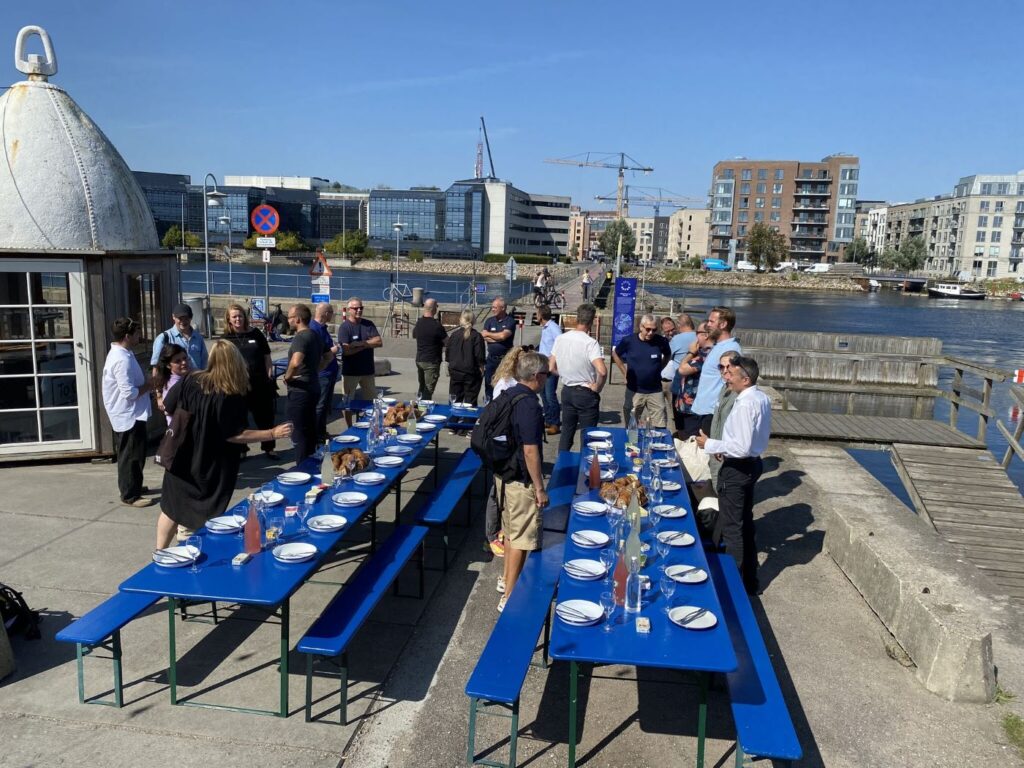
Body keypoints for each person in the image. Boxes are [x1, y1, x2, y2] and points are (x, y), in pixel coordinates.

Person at [156, 341, 293, 549]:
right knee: (200, 516)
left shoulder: (191, 378)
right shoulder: (229, 394)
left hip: (180, 456)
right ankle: (189, 559)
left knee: (171, 510)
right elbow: (235, 434)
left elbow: (167, 406)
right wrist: (272, 433)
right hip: (207, 464)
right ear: (236, 362)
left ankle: (160, 554)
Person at [696, 355, 771, 595]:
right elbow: (745, 443)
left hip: (737, 469)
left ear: (745, 379)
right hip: (751, 464)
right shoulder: (761, 397)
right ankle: (750, 581)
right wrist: (722, 446)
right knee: (745, 523)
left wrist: (711, 445)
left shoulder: (746, 403)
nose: (728, 377)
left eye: (733, 374)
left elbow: (740, 446)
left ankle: (732, 587)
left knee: (732, 528)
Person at [495, 351, 550, 612]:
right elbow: (530, 450)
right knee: (520, 539)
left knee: (509, 532)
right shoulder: (528, 404)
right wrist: (539, 488)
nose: (549, 379)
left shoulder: (509, 392)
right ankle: (510, 597)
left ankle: (506, 581)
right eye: (547, 374)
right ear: (537, 376)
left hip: (503, 476)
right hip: (520, 480)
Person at [101, 317, 154, 508]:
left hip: (132, 413)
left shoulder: (124, 353)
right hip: (127, 414)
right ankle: (130, 494)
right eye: (137, 334)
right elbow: (129, 393)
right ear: (127, 336)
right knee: (130, 455)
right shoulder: (121, 359)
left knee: (137, 452)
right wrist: (149, 385)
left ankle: (134, 485)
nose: (139, 336)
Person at [483, 345, 529, 559]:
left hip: (510, 444)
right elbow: (502, 418)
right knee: (496, 492)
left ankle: (500, 530)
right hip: (502, 446)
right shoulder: (505, 384)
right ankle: (491, 535)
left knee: (502, 491)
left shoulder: (514, 382)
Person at [222, 303, 278, 459]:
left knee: (265, 417)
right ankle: (242, 450)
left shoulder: (255, 334)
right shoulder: (226, 338)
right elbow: (222, 363)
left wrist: (269, 375)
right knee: (239, 419)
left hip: (260, 384)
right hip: (237, 386)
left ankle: (269, 448)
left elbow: (267, 356)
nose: (238, 319)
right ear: (229, 319)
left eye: (240, 316)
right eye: (234, 316)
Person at [549, 303, 606, 453]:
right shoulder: (590, 343)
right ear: (592, 321)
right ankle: (586, 469)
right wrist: (597, 387)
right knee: (588, 436)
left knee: (567, 432)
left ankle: (562, 467)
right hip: (585, 392)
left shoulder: (561, 338)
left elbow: (551, 367)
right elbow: (602, 371)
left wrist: (565, 374)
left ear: (577, 318)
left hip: (567, 391)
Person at [283, 304, 326, 462]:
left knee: (299, 433)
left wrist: (288, 377)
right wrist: (315, 370)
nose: (288, 321)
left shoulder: (300, 337)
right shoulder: (315, 335)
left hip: (300, 392)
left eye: (289, 318)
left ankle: (302, 468)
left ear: (298, 319)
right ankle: (311, 464)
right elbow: (328, 356)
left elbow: (295, 362)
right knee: (310, 431)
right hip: (313, 387)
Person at [612, 313, 672, 428]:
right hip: (634, 390)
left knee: (660, 425)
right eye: (648, 329)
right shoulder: (629, 341)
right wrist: (625, 373)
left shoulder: (661, 341)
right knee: (631, 426)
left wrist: (659, 368)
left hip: (655, 390)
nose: (650, 333)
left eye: (654, 330)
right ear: (641, 327)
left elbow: (667, 354)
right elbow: (616, 354)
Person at [691, 305, 741, 435]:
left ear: (723, 324)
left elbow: (732, 382)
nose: (708, 325)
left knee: (708, 454)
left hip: (712, 413)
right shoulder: (718, 346)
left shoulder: (730, 350)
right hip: (704, 411)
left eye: (711, 321)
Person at [337, 297, 382, 424]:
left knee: (371, 402)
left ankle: (371, 425)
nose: (359, 310)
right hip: (351, 372)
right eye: (356, 308)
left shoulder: (368, 324)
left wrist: (360, 344)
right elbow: (346, 351)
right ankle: (349, 427)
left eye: (361, 308)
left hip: (368, 371)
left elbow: (378, 342)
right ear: (349, 310)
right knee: (347, 402)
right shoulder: (345, 328)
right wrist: (367, 344)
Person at [707, 349, 741, 486]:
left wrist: (721, 447)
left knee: (724, 488)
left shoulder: (739, 393)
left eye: (729, 366)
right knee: (717, 485)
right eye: (721, 366)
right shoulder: (724, 388)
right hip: (716, 448)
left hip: (726, 451)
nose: (725, 370)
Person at [672, 323, 712, 435]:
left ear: (706, 335)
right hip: (687, 406)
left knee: (689, 441)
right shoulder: (702, 352)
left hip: (693, 409)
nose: (696, 337)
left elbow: (682, 369)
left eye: (697, 333)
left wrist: (690, 352)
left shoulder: (706, 355)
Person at [309, 303, 341, 440]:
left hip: (330, 371)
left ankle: (322, 431)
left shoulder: (322, 328)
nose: (333, 315)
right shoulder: (314, 329)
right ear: (325, 314)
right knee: (320, 406)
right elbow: (315, 353)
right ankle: (316, 434)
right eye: (331, 312)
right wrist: (333, 351)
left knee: (325, 404)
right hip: (323, 374)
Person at [151, 303, 208, 375]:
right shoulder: (164, 338)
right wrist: (157, 385)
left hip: (195, 382)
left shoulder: (198, 338)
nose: (183, 321)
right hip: (173, 384)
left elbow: (205, 363)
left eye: (186, 318)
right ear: (173, 317)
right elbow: (156, 367)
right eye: (180, 318)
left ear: (191, 317)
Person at [445, 309, 486, 405]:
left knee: (454, 401)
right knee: (470, 403)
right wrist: (482, 369)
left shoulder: (454, 335)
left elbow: (448, 353)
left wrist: (448, 366)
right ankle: (468, 420)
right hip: (471, 373)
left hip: (455, 371)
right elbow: (479, 356)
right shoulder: (477, 336)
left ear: (461, 320)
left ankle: (453, 419)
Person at [481, 297, 516, 402]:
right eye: (492, 307)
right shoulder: (489, 321)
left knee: (504, 386)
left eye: (495, 307)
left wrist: (489, 335)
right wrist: (498, 338)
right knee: (489, 385)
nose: (493, 309)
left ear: (503, 308)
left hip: (505, 360)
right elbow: (484, 336)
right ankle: (489, 408)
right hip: (491, 360)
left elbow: (503, 336)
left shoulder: (510, 321)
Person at [413, 298, 447, 400]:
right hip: (431, 361)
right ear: (433, 309)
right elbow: (447, 341)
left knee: (422, 387)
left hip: (420, 359)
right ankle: (423, 411)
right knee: (428, 390)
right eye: (436, 306)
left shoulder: (419, 323)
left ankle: (418, 409)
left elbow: (414, 335)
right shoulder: (436, 325)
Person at [537, 304, 562, 435]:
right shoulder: (545, 328)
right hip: (542, 365)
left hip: (550, 366)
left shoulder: (553, 327)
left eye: (537, 313)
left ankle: (555, 423)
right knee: (543, 394)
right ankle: (548, 418)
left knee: (550, 395)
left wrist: (553, 360)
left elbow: (560, 343)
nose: (536, 315)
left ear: (541, 315)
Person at [153, 343, 188, 426]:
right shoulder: (174, 385)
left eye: (185, 358)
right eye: (177, 361)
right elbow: (167, 411)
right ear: (168, 365)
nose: (184, 362)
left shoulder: (181, 378)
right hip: (180, 431)